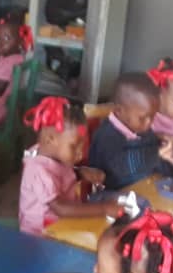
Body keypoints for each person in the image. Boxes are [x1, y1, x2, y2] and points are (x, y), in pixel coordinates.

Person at [18, 97, 120, 236]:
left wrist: (80, 173)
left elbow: (58, 174)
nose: (80, 153)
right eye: (74, 146)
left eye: (82, 146)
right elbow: (61, 209)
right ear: (50, 139)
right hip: (40, 235)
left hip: (61, 223)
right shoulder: (37, 171)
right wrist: (104, 209)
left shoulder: (52, 153)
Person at [88, 72, 173, 190]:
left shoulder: (142, 130)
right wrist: (157, 154)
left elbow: (157, 160)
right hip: (111, 194)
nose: (149, 123)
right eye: (142, 118)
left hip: (144, 189)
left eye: (152, 116)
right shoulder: (106, 135)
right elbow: (119, 166)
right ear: (119, 110)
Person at [0, 19, 31, 126]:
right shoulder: (13, 58)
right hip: (2, 109)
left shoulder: (9, 64)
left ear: (20, 43)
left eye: (6, 38)